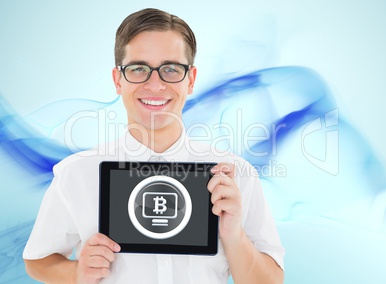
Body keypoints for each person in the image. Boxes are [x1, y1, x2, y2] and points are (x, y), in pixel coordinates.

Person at [23, 8, 285, 283]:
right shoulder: (77, 174)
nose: (155, 84)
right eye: (138, 69)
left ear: (191, 80)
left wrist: (234, 236)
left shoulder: (234, 176)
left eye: (171, 69)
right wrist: (77, 272)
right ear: (117, 80)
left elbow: (270, 280)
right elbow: (38, 261)